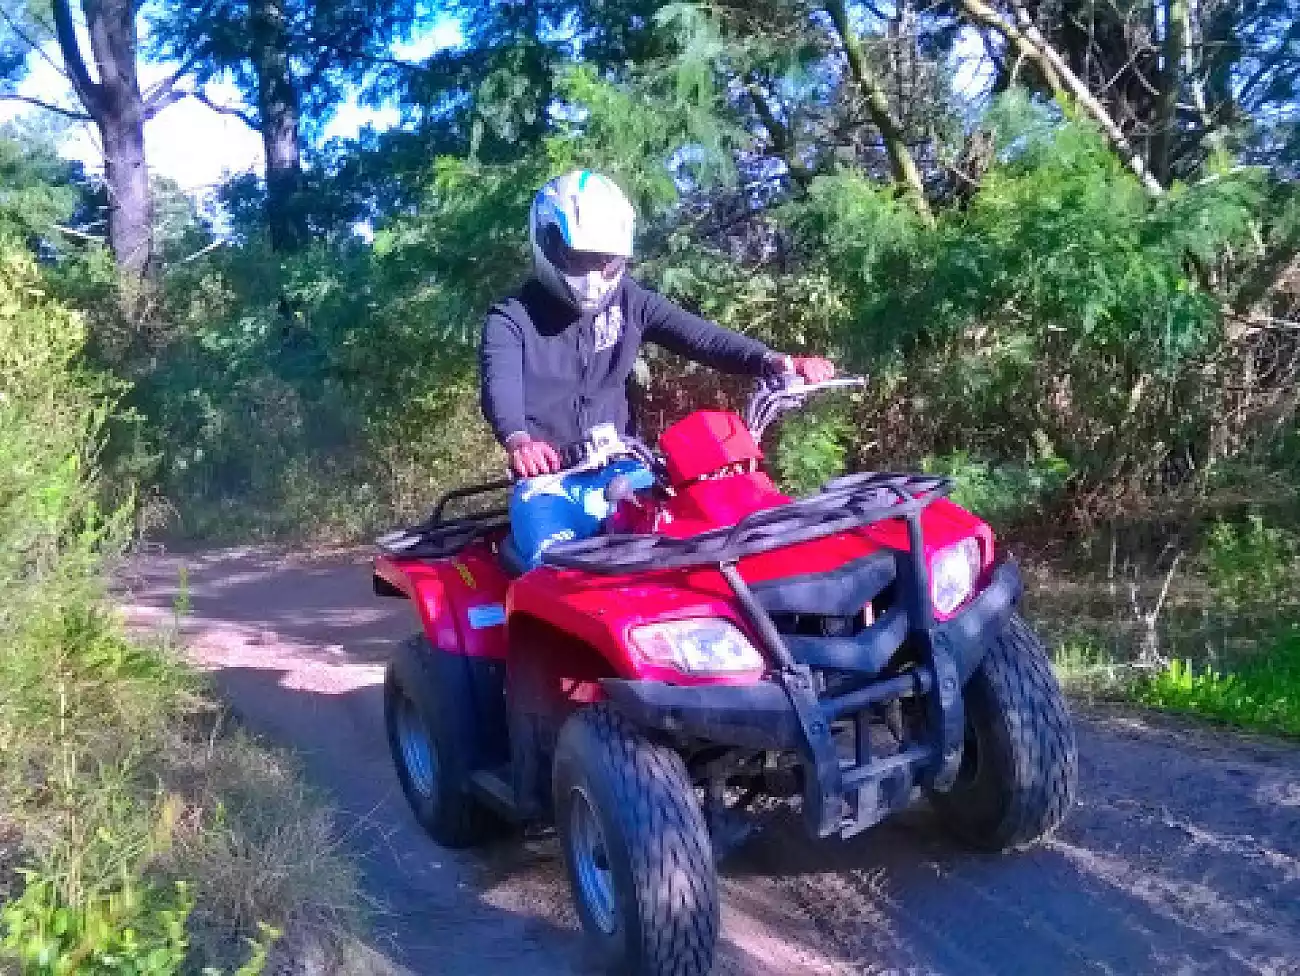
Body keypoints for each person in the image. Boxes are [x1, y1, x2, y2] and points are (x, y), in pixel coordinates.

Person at [480, 169, 835, 568]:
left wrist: (775, 361)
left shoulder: (630, 301)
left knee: (707, 542)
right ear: (546, 242)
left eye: (606, 261)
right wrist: (519, 441)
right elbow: (500, 385)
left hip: (629, 471)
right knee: (557, 575)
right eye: (580, 260)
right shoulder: (511, 319)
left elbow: (701, 336)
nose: (595, 277)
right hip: (550, 487)